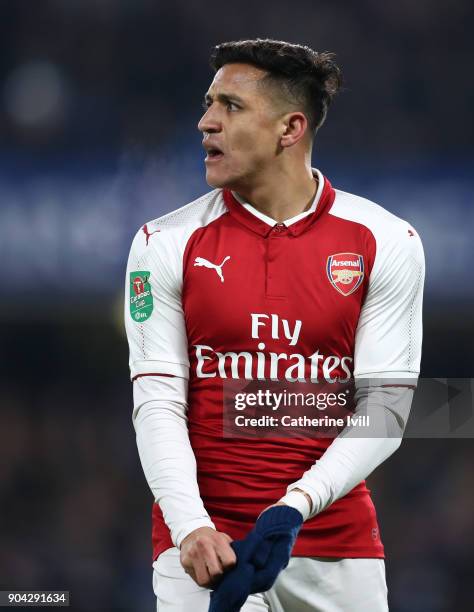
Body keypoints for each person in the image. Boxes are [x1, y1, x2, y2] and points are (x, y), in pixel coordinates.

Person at [125, 39, 424, 611]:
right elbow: (158, 402)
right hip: (203, 544)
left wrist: (293, 507)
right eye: (209, 104)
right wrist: (190, 526)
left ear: (290, 128)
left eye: (231, 107)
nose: (205, 122)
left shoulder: (386, 240)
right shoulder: (163, 243)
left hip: (335, 542)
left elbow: (386, 405)